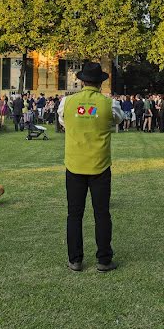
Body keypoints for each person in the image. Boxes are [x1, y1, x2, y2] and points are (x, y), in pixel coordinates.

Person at [58, 62, 126, 272]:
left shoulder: (67, 102)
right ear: (100, 83)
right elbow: (118, 121)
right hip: (100, 165)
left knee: (74, 215)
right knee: (102, 214)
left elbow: (63, 122)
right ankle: (104, 259)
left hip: (75, 165)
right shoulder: (109, 104)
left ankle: (75, 259)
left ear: (82, 80)